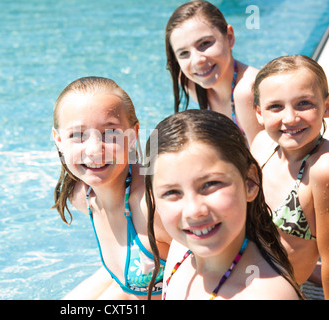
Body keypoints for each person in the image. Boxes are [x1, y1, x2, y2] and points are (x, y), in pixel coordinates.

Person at [144, 109, 303, 299]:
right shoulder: (183, 248)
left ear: (250, 183)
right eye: (171, 192)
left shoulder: (265, 294)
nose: (194, 211)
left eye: (210, 185)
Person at [52, 76, 171, 299]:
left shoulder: (154, 207)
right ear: (58, 139)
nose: (95, 149)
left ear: (134, 134)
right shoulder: (81, 195)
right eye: (77, 135)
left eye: (111, 133)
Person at [250, 55, 329, 299]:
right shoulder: (262, 144)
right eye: (275, 107)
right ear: (259, 113)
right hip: (238, 276)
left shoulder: (322, 169)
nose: (290, 118)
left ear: (326, 106)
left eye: (304, 103)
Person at [165, 0, 262, 145]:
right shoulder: (191, 83)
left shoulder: (246, 91)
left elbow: (262, 159)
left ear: (229, 37)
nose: (197, 60)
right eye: (184, 53)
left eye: (204, 44)